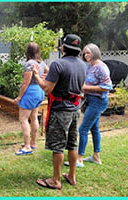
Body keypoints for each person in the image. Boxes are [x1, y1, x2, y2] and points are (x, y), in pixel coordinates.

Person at [32, 34, 86, 189]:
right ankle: (72, 176)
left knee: (58, 146)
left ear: (63, 47)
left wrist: (37, 76)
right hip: (76, 109)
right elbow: (77, 85)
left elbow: (48, 88)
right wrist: (48, 78)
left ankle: (55, 180)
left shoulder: (58, 64)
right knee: (72, 143)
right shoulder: (83, 65)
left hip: (61, 110)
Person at [77, 43, 112, 166]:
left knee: (82, 129)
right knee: (94, 128)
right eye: (84, 53)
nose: (86, 55)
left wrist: (87, 87)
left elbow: (107, 86)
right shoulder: (90, 66)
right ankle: (96, 156)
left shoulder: (100, 67)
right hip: (91, 100)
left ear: (95, 52)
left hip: (97, 102)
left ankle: (79, 159)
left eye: (88, 52)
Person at [14, 42, 46, 155]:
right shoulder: (41, 62)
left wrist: (19, 97)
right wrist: (43, 77)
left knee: (23, 119)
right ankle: (33, 143)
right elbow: (48, 70)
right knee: (34, 117)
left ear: (28, 51)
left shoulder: (29, 64)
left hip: (31, 92)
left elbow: (25, 83)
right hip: (39, 91)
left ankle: (27, 146)